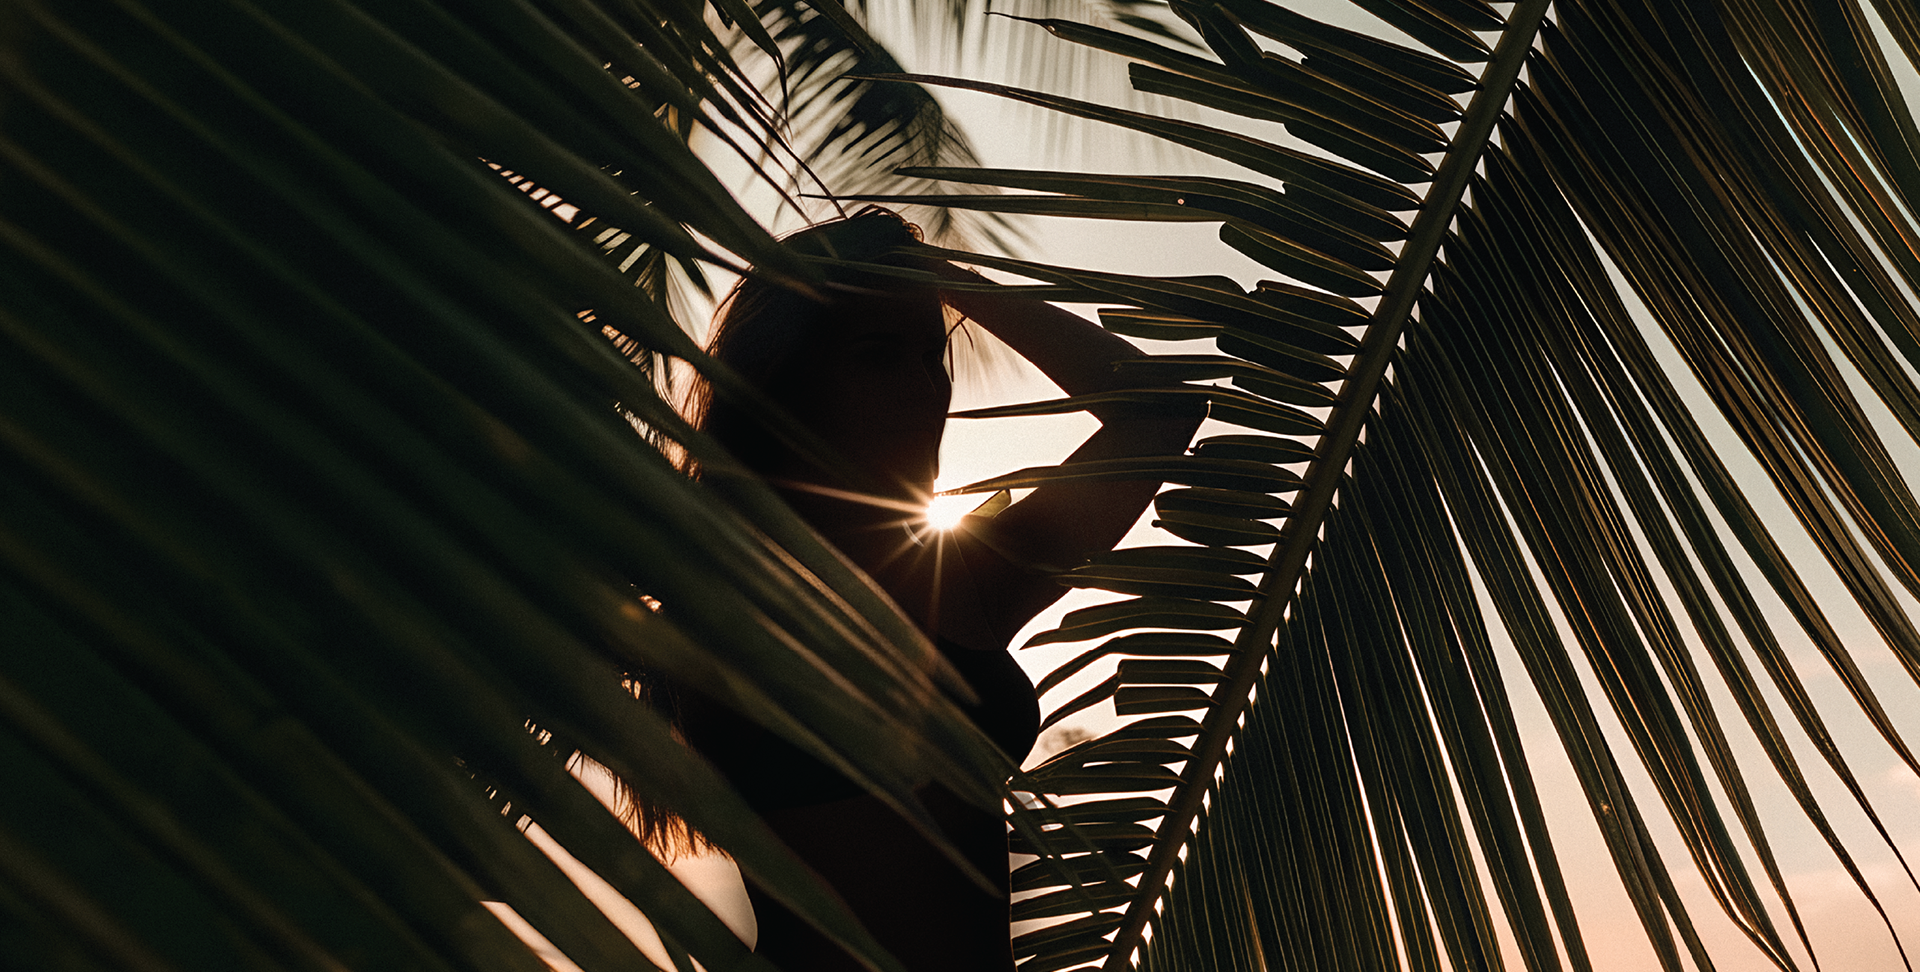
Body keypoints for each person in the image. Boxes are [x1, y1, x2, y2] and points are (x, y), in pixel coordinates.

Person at [680, 207, 1202, 972]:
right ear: (791, 383)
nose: (925, 388)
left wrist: (953, 283)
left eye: (934, 355)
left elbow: (1158, 410)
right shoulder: (730, 596)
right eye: (879, 356)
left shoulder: (955, 577)